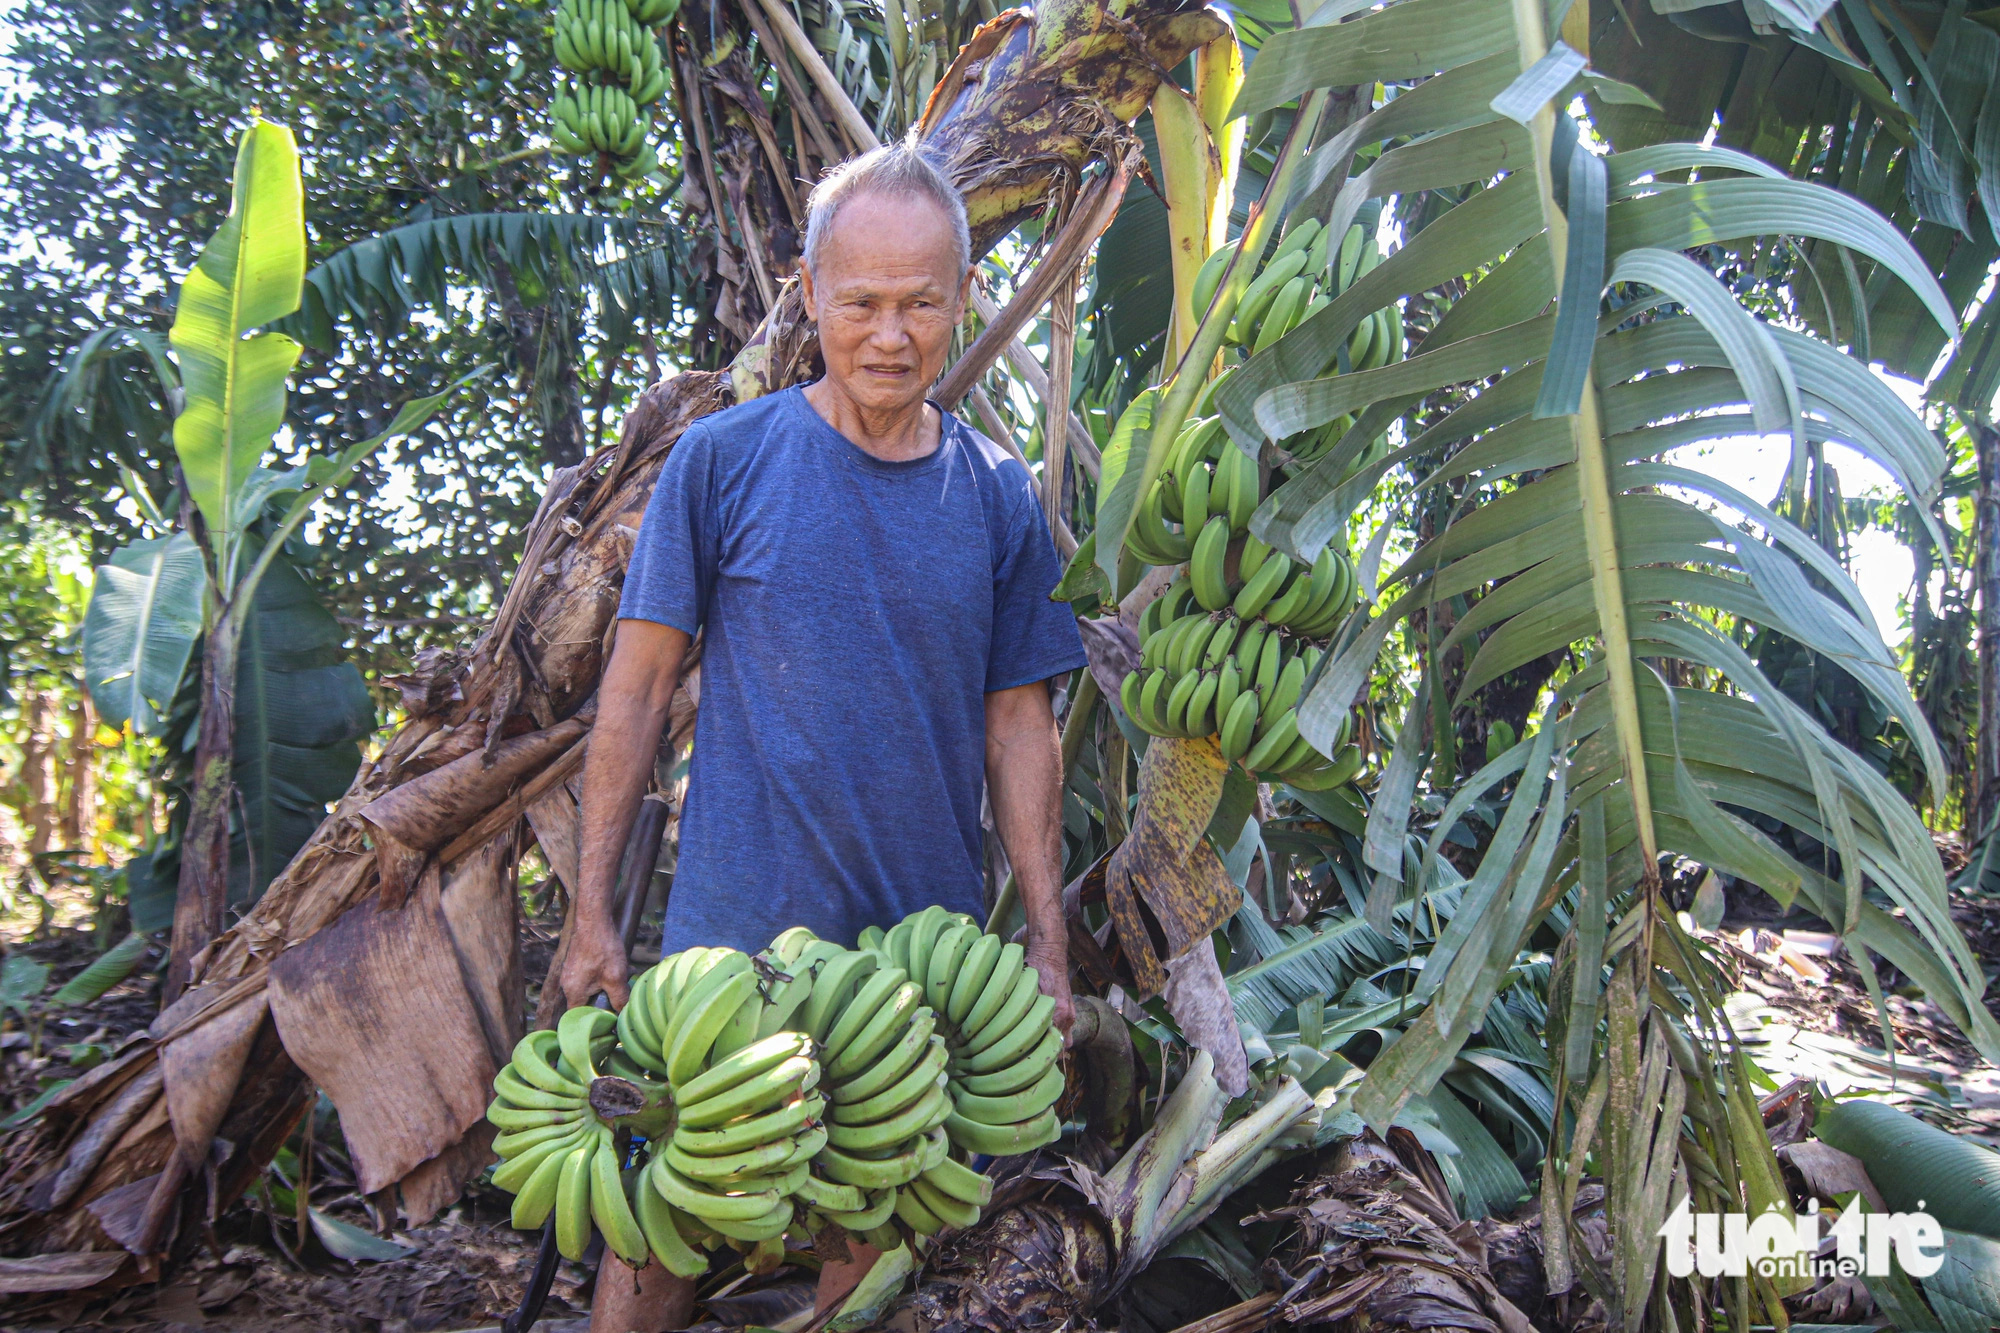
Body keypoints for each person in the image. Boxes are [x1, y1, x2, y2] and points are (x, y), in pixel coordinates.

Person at [557, 138, 1086, 1332]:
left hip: (917, 965)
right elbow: (633, 696)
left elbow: (1021, 727)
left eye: (920, 303)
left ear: (962, 300)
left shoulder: (997, 496)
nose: (889, 335)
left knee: (874, 1261)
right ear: (809, 295)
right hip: (727, 949)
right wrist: (591, 915)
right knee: (660, 1236)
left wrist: (1046, 940)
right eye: (859, 302)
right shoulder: (722, 463)